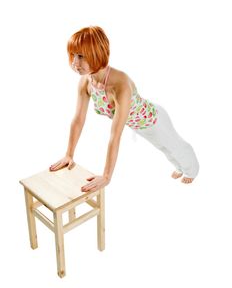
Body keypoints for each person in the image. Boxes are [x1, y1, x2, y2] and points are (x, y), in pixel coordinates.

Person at [50, 26, 199, 192]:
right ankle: (179, 167)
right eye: (73, 55)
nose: (74, 63)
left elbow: (115, 135)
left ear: (97, 53)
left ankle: (192, 170)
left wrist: (106, 176)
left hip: (153, 120)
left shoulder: (120, 84)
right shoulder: (86, 82)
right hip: (136, 124)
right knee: (163, 147)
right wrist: (69, 154)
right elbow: (78, 120)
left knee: (172, 145)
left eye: (81, 56)